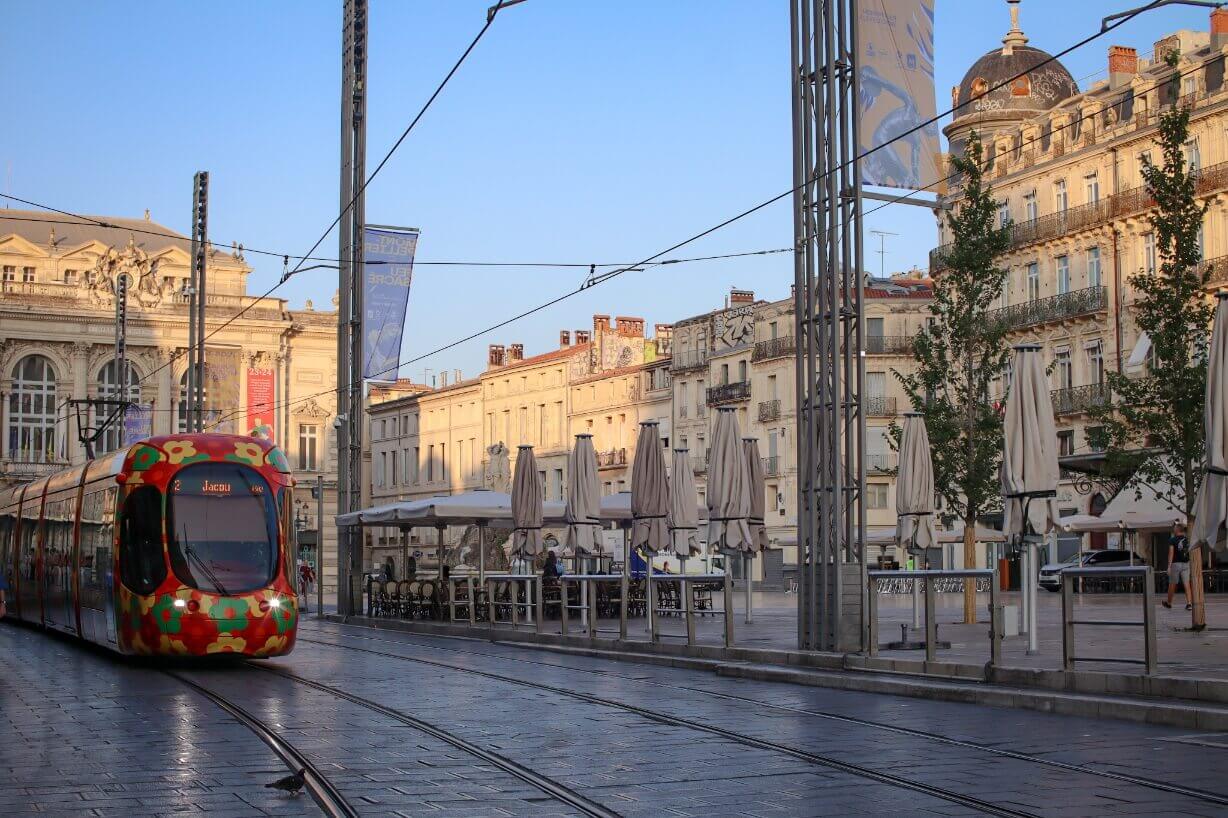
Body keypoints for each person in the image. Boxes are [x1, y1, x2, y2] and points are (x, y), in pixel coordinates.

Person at [1163, 523, 1192, 610]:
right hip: (1186, 563)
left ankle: (1169, 603)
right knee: (1186, 583)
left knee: (1172, 584)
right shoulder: (1188, 539)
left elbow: (1171, 553)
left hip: (1175, 564)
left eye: (1175, 528)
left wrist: (1169, 566)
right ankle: (1189, 603)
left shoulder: (1172, 540)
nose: (1174, 530)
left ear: (1177, 530)